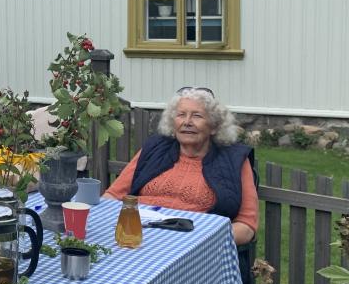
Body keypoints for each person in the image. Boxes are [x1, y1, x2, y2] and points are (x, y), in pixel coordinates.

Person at [104, 87, 258, 245]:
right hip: (137, 235)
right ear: (173, 122)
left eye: (197, 116)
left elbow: (246, 226)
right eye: (181, 115)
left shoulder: (234, 159)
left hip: (193, 243)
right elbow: (112, 196)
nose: (187, 122)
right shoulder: (155, 149)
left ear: (213, 126)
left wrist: (202, 240)